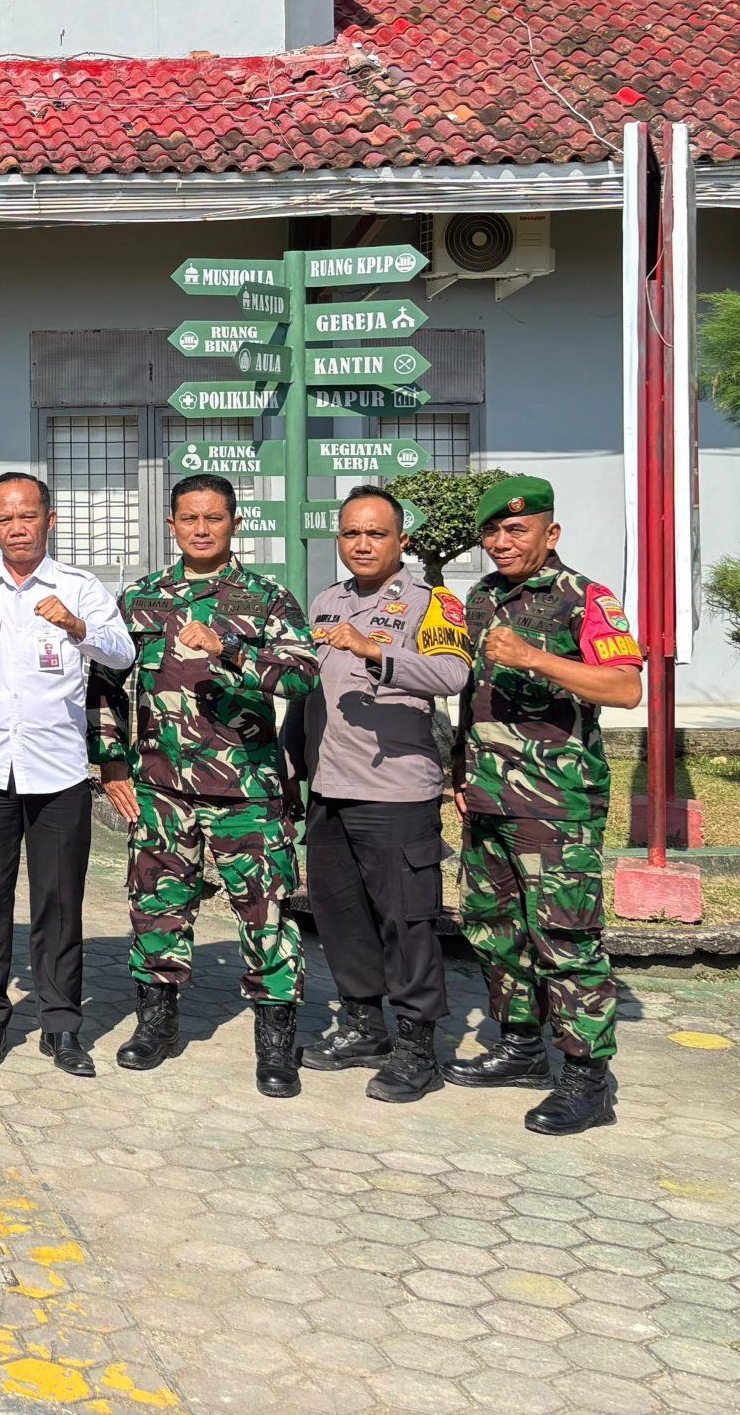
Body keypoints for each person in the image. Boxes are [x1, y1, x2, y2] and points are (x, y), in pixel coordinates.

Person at [90, 474, 317, 1096]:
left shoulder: (266, 598)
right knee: (156, 907)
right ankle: (156, 1024)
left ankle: (276, 1043)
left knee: (266, 913)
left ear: (235, 524)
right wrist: (111, 762)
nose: (200, 529)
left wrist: (233, 648)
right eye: (188, 518)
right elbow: (105, 682)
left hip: (247, 788)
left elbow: (303, 677)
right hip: (161, 787)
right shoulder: (142, 598)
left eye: (213, 518)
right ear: (171, 525)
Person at [441, 476, 642, 1135]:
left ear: (550, 533)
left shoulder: (585, 598)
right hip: (487, 797)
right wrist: (459, 770)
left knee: (564, 937)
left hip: (556, 802)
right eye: (492, 531)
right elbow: (471, 694)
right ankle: (521, 1047)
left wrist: (533, 657)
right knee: (493, 929)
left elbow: (625, 688)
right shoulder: (480, 597)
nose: (501, 542)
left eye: (516, 530)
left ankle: (587, 1079)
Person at [0, 471, 132, 1078]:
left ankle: (61, 1024)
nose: (17, 527)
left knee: (59, 900)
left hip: (59, 770)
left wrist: (77, 626)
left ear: (49, 519)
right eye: (5, 518)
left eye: (28, 515)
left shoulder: (80, 587)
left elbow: (123, 654)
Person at [287, 486, 469, 1103]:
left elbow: (453, 673)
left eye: (376, 533)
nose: (362, 544)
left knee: (407, 921)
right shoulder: (327, 601)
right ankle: (364, 1026)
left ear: (402, 541)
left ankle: (418, 1048)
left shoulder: (432, 602)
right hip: (330, 788)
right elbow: (309, 689)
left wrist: (376, 651)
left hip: (396, 792)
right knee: (340, 915)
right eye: (351, 533)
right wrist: (293, 765)